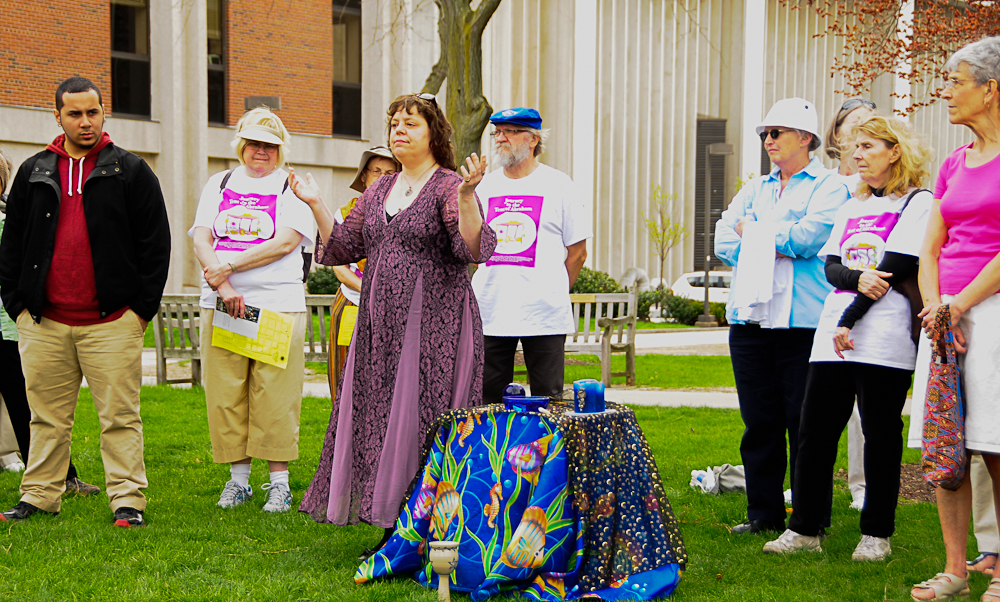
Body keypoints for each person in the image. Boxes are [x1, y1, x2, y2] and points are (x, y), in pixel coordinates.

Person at [291, 93, 496, 556]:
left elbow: (471, 248)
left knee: (425, 421)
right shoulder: (380, 190)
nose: (399, 131)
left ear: (433, 134)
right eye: (394, 124)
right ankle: (392, 526)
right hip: (380, 325)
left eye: (411, 124)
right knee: (382, 418)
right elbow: (342, 246)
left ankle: (433, 528)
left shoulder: (447, 186)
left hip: (435, 327)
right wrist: (317, 202)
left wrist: (467, 196)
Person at [0, 76, 171, 527]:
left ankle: (127, 502)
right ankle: (39, 496)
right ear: (56, 116)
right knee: (46, 418)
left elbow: (156, 245)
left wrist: (138, 312)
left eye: (92, 112)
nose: (85, 122)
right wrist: (18, 305)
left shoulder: (130, 171)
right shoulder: (35, 170)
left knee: (120, 418)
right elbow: (12, 245)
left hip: (112, 321)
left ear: (103, 113)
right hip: (44, 322)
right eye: (74, 114)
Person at [763, 115, 932, 561]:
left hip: (884, 337)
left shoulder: (916, 203)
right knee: (814, 432)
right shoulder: (852, 205)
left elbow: (894, 270)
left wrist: (850, 315)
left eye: (867, 147)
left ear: (894, 151)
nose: (856, 156)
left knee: (879, 434)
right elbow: (832, 267)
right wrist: (853, 291)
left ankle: (876, 533)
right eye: (853, 149)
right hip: (833, 335)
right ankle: (805, 528)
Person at [714, 97, 848, 535]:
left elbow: (809, 239)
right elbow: (722, 240)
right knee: (759, 423)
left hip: (802, 323)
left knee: (804, 424)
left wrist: (752, 232)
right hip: (750, 321)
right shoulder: (755, 187)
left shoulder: (830, 187)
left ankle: (810, 519)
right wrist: (768, 237)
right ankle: (763, 515)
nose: (767, 141)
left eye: (776, 133)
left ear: (805, 138)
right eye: (764, 134)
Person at [907, 36, 1000, 602]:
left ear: (991, 89)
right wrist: (936, 308)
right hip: (944, 318)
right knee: (947, 444)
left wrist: (961, 304)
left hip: (989, 312)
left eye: (955, 81)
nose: (944, 91)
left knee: (995, 441)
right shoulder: (952, 163)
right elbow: (930, 248)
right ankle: (955, 570)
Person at [190, 108, 314, 513]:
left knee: (274, 394)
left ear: (280, 150)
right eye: (254, 143)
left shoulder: (290, 187)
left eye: (270, 145)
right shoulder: (220, 182)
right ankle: (237, 482)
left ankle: (279, 484)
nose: (261, 151)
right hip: (223, 305)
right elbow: (202, 238)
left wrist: (232, 267)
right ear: (241, 145)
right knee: (226, 393)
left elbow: (285, 242)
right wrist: (223, 284)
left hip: (275, 305)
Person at [471, 107, 590, 403]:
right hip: (490, 310)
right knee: (488, 402)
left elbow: (578, 252)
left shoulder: (559, 185)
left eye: (510, 132)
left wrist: (553, 290)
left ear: (533, 139)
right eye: (497, 132)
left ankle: (544, 452)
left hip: (544, 313)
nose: (501, 139)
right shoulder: (485, 186)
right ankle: (493, 451)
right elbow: (471, 245)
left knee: (548, 400)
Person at [0, 149, 101, 497]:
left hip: (9, 331)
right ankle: (61, 477)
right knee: (32, 409)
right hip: (11, 330)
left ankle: (59, 477)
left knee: (33, 409)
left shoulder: (9, 219)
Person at [823, 97, 878, 512]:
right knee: (813, 409)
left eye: (870, 125)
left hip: (866, 299)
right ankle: (812, 486)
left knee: (864, 412)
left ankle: (861, 487)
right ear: (837, 134)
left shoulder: (879, 192)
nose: (860, 132)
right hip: (817, 303)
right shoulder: (826, 186)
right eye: (852, 125)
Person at [327, 146, 399, 397]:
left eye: (390, 172)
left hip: (395, 309)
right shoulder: (345, 213)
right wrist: (371, 291)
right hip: (351, 303)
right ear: (364, 176)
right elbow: (339, 268)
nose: (382, 177)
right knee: (343, 376)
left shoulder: (405, 213)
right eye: (376, 171)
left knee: (387, 379)